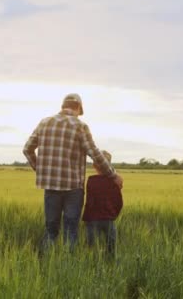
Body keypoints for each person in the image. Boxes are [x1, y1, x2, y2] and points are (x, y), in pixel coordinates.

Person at [23, 93, 123, 250]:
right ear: (78, 108)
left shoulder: (44, 123)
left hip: (50, 186)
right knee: (71, 231)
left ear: (63, 106)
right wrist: (113, 174)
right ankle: (68, 269)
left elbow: (27, 149)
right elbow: (95, 154)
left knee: (51, 231)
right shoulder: (80, 126)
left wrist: (40, 169)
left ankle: (46, 267)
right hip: (73, 189)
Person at [82, 150, 123, 258]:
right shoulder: (114, 181)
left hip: (93, 218)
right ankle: (110, 262)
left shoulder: (91, 180)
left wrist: (87, 217)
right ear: (110, 165)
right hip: (108, 218)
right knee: (111, 245)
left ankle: (90, 263)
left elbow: (89, 201)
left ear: (94, 165)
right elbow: (118, 201)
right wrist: (114, 214)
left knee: (90, 246)